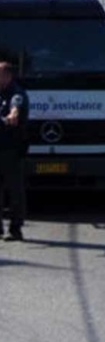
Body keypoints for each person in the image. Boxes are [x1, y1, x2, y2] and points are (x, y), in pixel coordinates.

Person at [0, 61, 28, 241]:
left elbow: (15, 109)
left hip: (11, 150)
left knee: (15, 189)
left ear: (8, 76)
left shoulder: (17, 94)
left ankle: (15, 229)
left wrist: (12, 115)